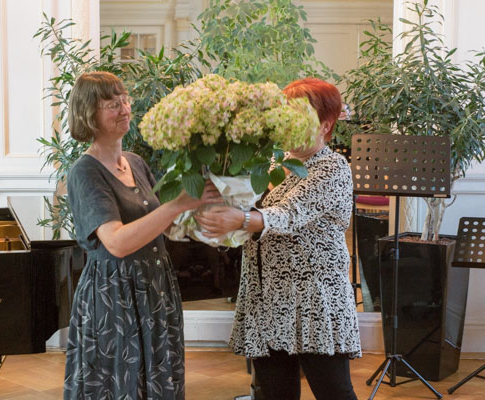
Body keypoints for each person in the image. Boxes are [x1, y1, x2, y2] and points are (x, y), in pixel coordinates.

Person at [196, 78, 361, 400]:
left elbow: (288, 214)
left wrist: (240, 219)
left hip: (315, 299)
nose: (288, 124)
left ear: (326, 125)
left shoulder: (332, 167)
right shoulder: (272, 164)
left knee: (334, 393)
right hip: (267, 297)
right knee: (273, 394)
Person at [63, 71, 221, 400]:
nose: (124, 109)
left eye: (125, 101)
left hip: (156, 286)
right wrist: (178, 204)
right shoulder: (85, 171)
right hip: (114, 293)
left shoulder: (134, 162)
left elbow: (164, 226)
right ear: (88, 114)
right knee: (119, 386)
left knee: (158, 381)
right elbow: (117, 243)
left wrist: (214, 218)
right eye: (112, 104)